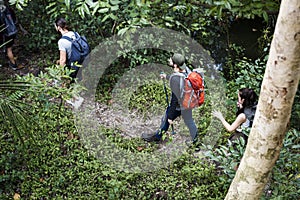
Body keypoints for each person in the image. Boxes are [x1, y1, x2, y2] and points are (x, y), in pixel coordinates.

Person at [142, 53, 199, 147]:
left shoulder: (175, 79)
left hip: (179, 105)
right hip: (188, 103)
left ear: (175, 65)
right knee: (189, 121)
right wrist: (167, 76)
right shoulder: (187, 70)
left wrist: (170, 116)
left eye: (172, 60)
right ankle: (196, 144)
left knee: (166, 118)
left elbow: (174, 100)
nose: (170, 60)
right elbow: (181, 80)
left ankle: (157, 137)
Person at [0, 0, 22, 70]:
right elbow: (15, 20)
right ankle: (12, 63)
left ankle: (12, 64)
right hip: (12, 31)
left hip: (4, 33)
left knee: (7, 49)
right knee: (9, 48)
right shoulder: (9, 9)